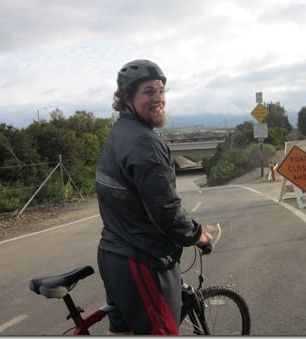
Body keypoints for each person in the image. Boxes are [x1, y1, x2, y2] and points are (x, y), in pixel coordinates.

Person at [95, 59, 212, 335]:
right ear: (126, 97)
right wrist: (198, 235)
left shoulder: (117, 135)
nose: (159, 98)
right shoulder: (145, 142)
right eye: (149, 91)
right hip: (143, 261)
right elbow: (166, 210)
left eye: (161, 91)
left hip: (114, 255)